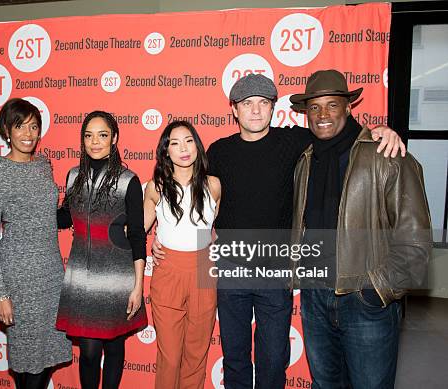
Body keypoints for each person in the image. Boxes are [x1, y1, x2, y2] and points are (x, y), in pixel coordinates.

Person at [152, 74, 406, 389]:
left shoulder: (296, 142)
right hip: (230, 269)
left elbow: (339, 130)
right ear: (234, 110)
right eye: (247, 104)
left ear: (273, 108)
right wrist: (157, 236)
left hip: (276, 268)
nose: (255, 110)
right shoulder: (217, 152)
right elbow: (186, 196)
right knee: (235, 357)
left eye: (263, 103)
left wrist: (380, 131)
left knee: (273, 359)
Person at [289, 69, 432, 389]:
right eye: (314, 107)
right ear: (306, 114)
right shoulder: (305, 159)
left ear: (349, 107)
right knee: (326, 383)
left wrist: (376, 289)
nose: (322, 114)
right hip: (315, 297)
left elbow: (415, 239)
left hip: (365, 300)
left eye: (332, 105)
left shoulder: (387, 155)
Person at [0, 98, 72, 388]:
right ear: (7, 130)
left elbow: (49, 216)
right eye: (20, 126)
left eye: (34, 126)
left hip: (51, 273)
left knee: (47, 354)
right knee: (27, 357)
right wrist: (1, 294)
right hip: (18, 277)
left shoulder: (44, 165)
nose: (28, 134)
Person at [55, 111, 148, 389]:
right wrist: (35, 202)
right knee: (90, 351)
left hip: (117, 276)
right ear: (82, 140)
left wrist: (138, 285)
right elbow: (64, 218)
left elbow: (137, 235)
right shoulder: (73, 177)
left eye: (103, 134)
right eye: (88, 135)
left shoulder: (129, 180)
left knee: (115, 343)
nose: (95, 142)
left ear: (115, 138)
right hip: (81, 276)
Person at [143, 120, 221, 388]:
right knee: (170, 356)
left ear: (197, 145)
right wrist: (153, 241)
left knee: (196, 354)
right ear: (166, 151)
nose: (183, 148)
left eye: (188, 140)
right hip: (168, 272)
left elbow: (212, 231)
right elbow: (137, 230)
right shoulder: (156, 187)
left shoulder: (214, 186)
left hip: (203, 270)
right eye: (174, 143)